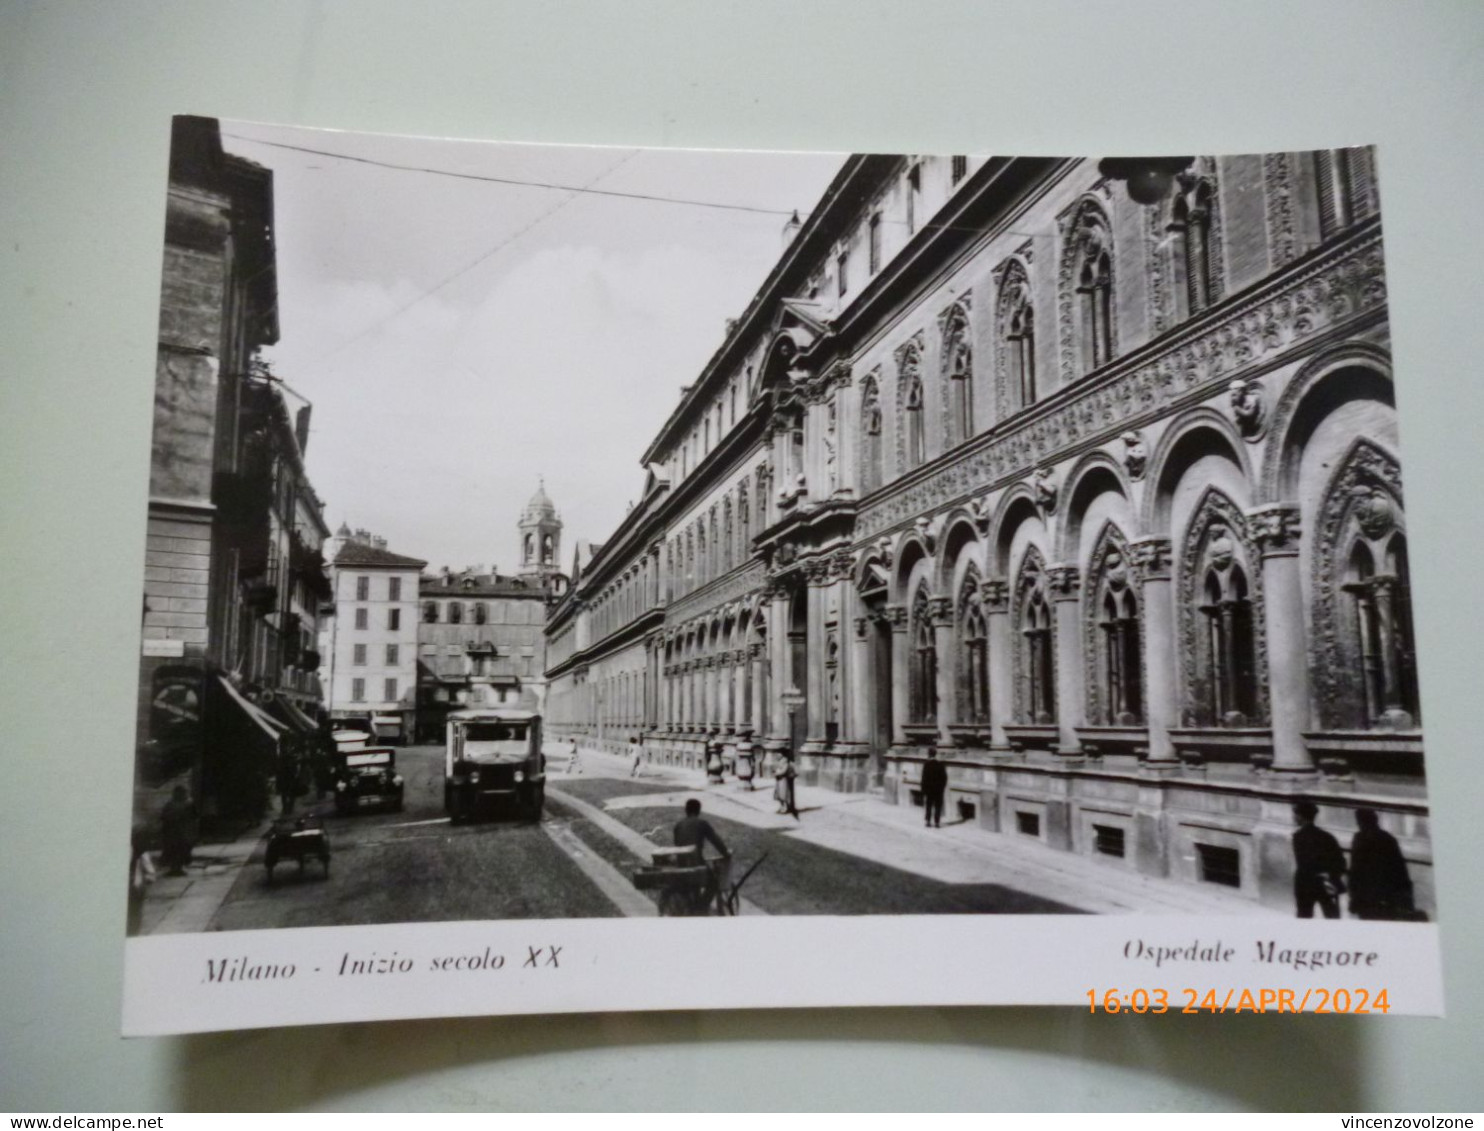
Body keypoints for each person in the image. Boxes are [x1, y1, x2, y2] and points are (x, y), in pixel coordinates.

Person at [1348, 808, 1415, 920]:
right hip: (1387, 895)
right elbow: (1399, 869)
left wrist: (1354, 895)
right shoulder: (1388, 839)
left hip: (1366, 896)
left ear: (1360, 822)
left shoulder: (1359, 838)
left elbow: (1355, 869)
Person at [673, 798, 731, 914]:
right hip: (696, 861)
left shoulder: (678, 825)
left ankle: (693, 906)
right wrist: (725, 853)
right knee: (713, 883)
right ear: (699, 811)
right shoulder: (702, 824)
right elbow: (715, 841)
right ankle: (701, 907)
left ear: (686, 810)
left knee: (692, 883)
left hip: (681, 862)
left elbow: (677, 843)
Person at [1291, 800, 1347, 919]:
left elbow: (1304, 864)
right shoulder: (1327, 837)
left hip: (1305, 884)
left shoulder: (1299, 837)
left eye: (1296, 814)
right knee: (1331, 917)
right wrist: (1330, 874)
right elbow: (1341, 863)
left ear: (1301, 816)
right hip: (1326, 883)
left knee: (1304, 919)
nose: (1294, 817)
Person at [159, 784, 198, 877]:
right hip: (180, 831)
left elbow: (163, 817)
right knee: (179, 849)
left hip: (176, 831)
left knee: (177, 850)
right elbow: (195, 816)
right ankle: (176, 868)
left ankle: (176, 868)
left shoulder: (170, 804)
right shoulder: (187, 803)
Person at [921, 750, 948, 828]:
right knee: (938, 806)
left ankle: (928, 821)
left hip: (929, 790)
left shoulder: (926, 765)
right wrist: (942, 787)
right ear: (935, 755)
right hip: (938, 790)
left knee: (928, 805)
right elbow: (944, 778)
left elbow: (924, 778)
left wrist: (923, 789)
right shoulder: (940, 765)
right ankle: (937, 822)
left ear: (929, 755)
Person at [774, 753, 799, 819]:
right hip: (779, 780)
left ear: (782, 754)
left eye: (779, 753)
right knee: (779, 794)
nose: (777, 755)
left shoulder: (785, 761)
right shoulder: (780, 761)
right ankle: (782, 807)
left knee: (783, 794)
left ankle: (785, 808)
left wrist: (777, 773)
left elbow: (784, 771)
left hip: (783, 780)